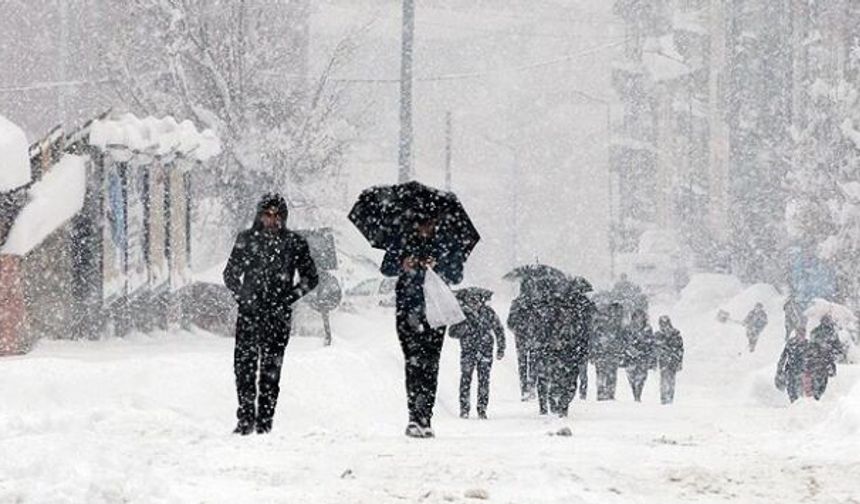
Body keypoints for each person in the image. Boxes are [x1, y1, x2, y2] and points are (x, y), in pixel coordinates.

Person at [223, 193, 319, 435]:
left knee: (270, 371)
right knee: (244, 368)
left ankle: (265, 420)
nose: (272, 220)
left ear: (283, 217)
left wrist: (289, 297)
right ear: (260, 215)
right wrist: (242, 296)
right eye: (267, 214)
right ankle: (245, 417)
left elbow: (311, 278)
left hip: (277, 316)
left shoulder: (294, 243)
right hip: (249, 314)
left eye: (277, 215)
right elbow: (230, 274)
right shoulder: (247, 240)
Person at [381, 214, 464, 438]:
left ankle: (425, 417)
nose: (426, 227)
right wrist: (403, 263)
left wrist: (438, 266)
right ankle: (414, 417)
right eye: (422, 222)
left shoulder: (446, 242)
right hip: (408, 310)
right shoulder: (402, 240)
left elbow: (457, 274)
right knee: (413, 363)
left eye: (430, 222)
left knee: (430, 364)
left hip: (434, 311)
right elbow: (386, 267)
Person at [449, 292, 505, 419]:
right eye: (471, 300)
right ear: (466, 301)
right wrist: (464, 328)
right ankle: (464, 409)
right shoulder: (460, 314)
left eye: (477, 300)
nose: (474, 303)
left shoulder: (488, 312)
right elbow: (452, 332)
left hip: (486, 350)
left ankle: (482, 409)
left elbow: (499, 330)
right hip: (468, 351)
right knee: (466, 380)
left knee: (484, 381)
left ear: (482, 300)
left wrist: (501, 348)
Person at [545, 282, 593, 417]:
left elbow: (585, 334)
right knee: (558, 379)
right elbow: (547, 332)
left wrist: (583, 350)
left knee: (571, 382)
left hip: (573, 351)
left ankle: (563, 403)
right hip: (558, 352)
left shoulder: (581, 315)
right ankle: (556, 402)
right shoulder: (555, 312)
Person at [508, 280, 539, 401]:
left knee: (522, 364)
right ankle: (531, 386)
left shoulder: (516, 303)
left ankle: (524, 388)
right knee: (534, 363)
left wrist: (518, 329)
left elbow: (510, 322)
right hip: (535, 337)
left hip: (521, 337)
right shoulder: (538, 303)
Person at [620, 309, 655, 402]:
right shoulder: (628, 329)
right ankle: (634, 392)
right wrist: (629, 349)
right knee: (631, 377)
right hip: (630, 357)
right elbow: (623, 341)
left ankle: (638, 395)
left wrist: (645, 352)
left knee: (641, 377)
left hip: (643, 357)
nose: (639, 319)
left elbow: (651, 343)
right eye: (637, 316)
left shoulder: (648, 329)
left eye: (641, 316)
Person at [592, 302, 624, 400]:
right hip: (602, 353)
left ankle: (610, 394)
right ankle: (601, 393)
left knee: (611, 374)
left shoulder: (618, 325)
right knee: (602, 374)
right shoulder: (601, 322)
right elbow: (595, 337)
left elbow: (621, 339)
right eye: (615, 311)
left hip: (612, 353)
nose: (617, 314)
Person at [807, 315, 843, 400]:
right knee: (817, 380)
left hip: (826, 361)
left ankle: (818, 396)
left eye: (828, 320)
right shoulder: (816, 332)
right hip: (818, 360)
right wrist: (818, 350)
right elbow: (811, 346)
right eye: (825, 320)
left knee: (823, 381)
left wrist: (831, 351)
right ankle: (816, 396)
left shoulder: (832, 332)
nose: (827, 322)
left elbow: (838, 347)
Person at [654, 315, 684, 405]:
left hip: (672, 360)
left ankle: (669, 398)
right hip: (664, 361)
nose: (664, 326)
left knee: (670, 380)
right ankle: (664, 398)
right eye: (662, 324)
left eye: (665, 323)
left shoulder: (675, 334)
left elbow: (680, 349)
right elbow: (654, 349)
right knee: (664, 379)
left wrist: (679, 361)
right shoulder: (658, 335)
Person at [775, 326, 809, 403]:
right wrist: (779, 368)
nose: (801, 336)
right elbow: (783, 357)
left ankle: (798, 402)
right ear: (796, 334)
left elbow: (812, 358)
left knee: (800, 387)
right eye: (799, 333)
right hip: (791, 369)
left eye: (802, 334)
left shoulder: (807, 344)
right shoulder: (791, 343)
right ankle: (793, 402)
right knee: (791, 388)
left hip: (802, 371)